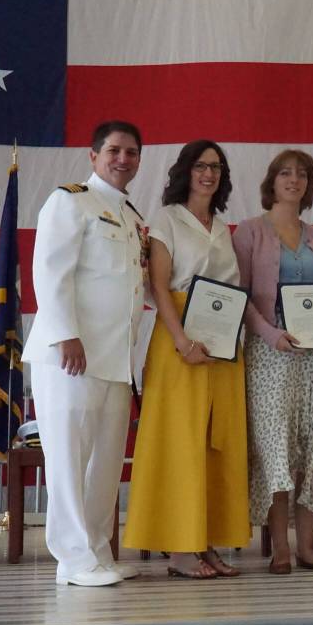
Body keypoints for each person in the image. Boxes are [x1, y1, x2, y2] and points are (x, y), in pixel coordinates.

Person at [22, 120, 147, 586]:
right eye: (114, 150)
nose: (123, 159)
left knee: (106, 462)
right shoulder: (69, 200)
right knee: (69, 459)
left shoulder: (131, 216)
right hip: (70, 356)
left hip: (115, 361)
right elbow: (49, 272)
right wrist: (64, 334)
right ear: (93, 156)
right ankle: (73, 559)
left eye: (132, 152)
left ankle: (96, 551)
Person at [123, 140, 250, 579]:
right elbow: (160, 286)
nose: (208, 174)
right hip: (180, 342)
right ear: (185, 171)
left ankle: (207, 541)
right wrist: (180, 339)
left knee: (217, 442)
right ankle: (178, 548)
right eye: (200, 166)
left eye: (215, 167)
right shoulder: (166, 218)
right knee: (180, 442)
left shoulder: (221, 225)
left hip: (223, 346)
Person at [232, 150, 313, 574]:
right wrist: (270, 334)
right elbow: (240, 299)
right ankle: (280, 548)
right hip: (270, 354)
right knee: (276, 451)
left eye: (302, 174)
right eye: (285, 172)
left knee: (312, 452)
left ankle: (309, 548)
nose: (294, 180)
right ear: (272, 181)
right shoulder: (249, 232)